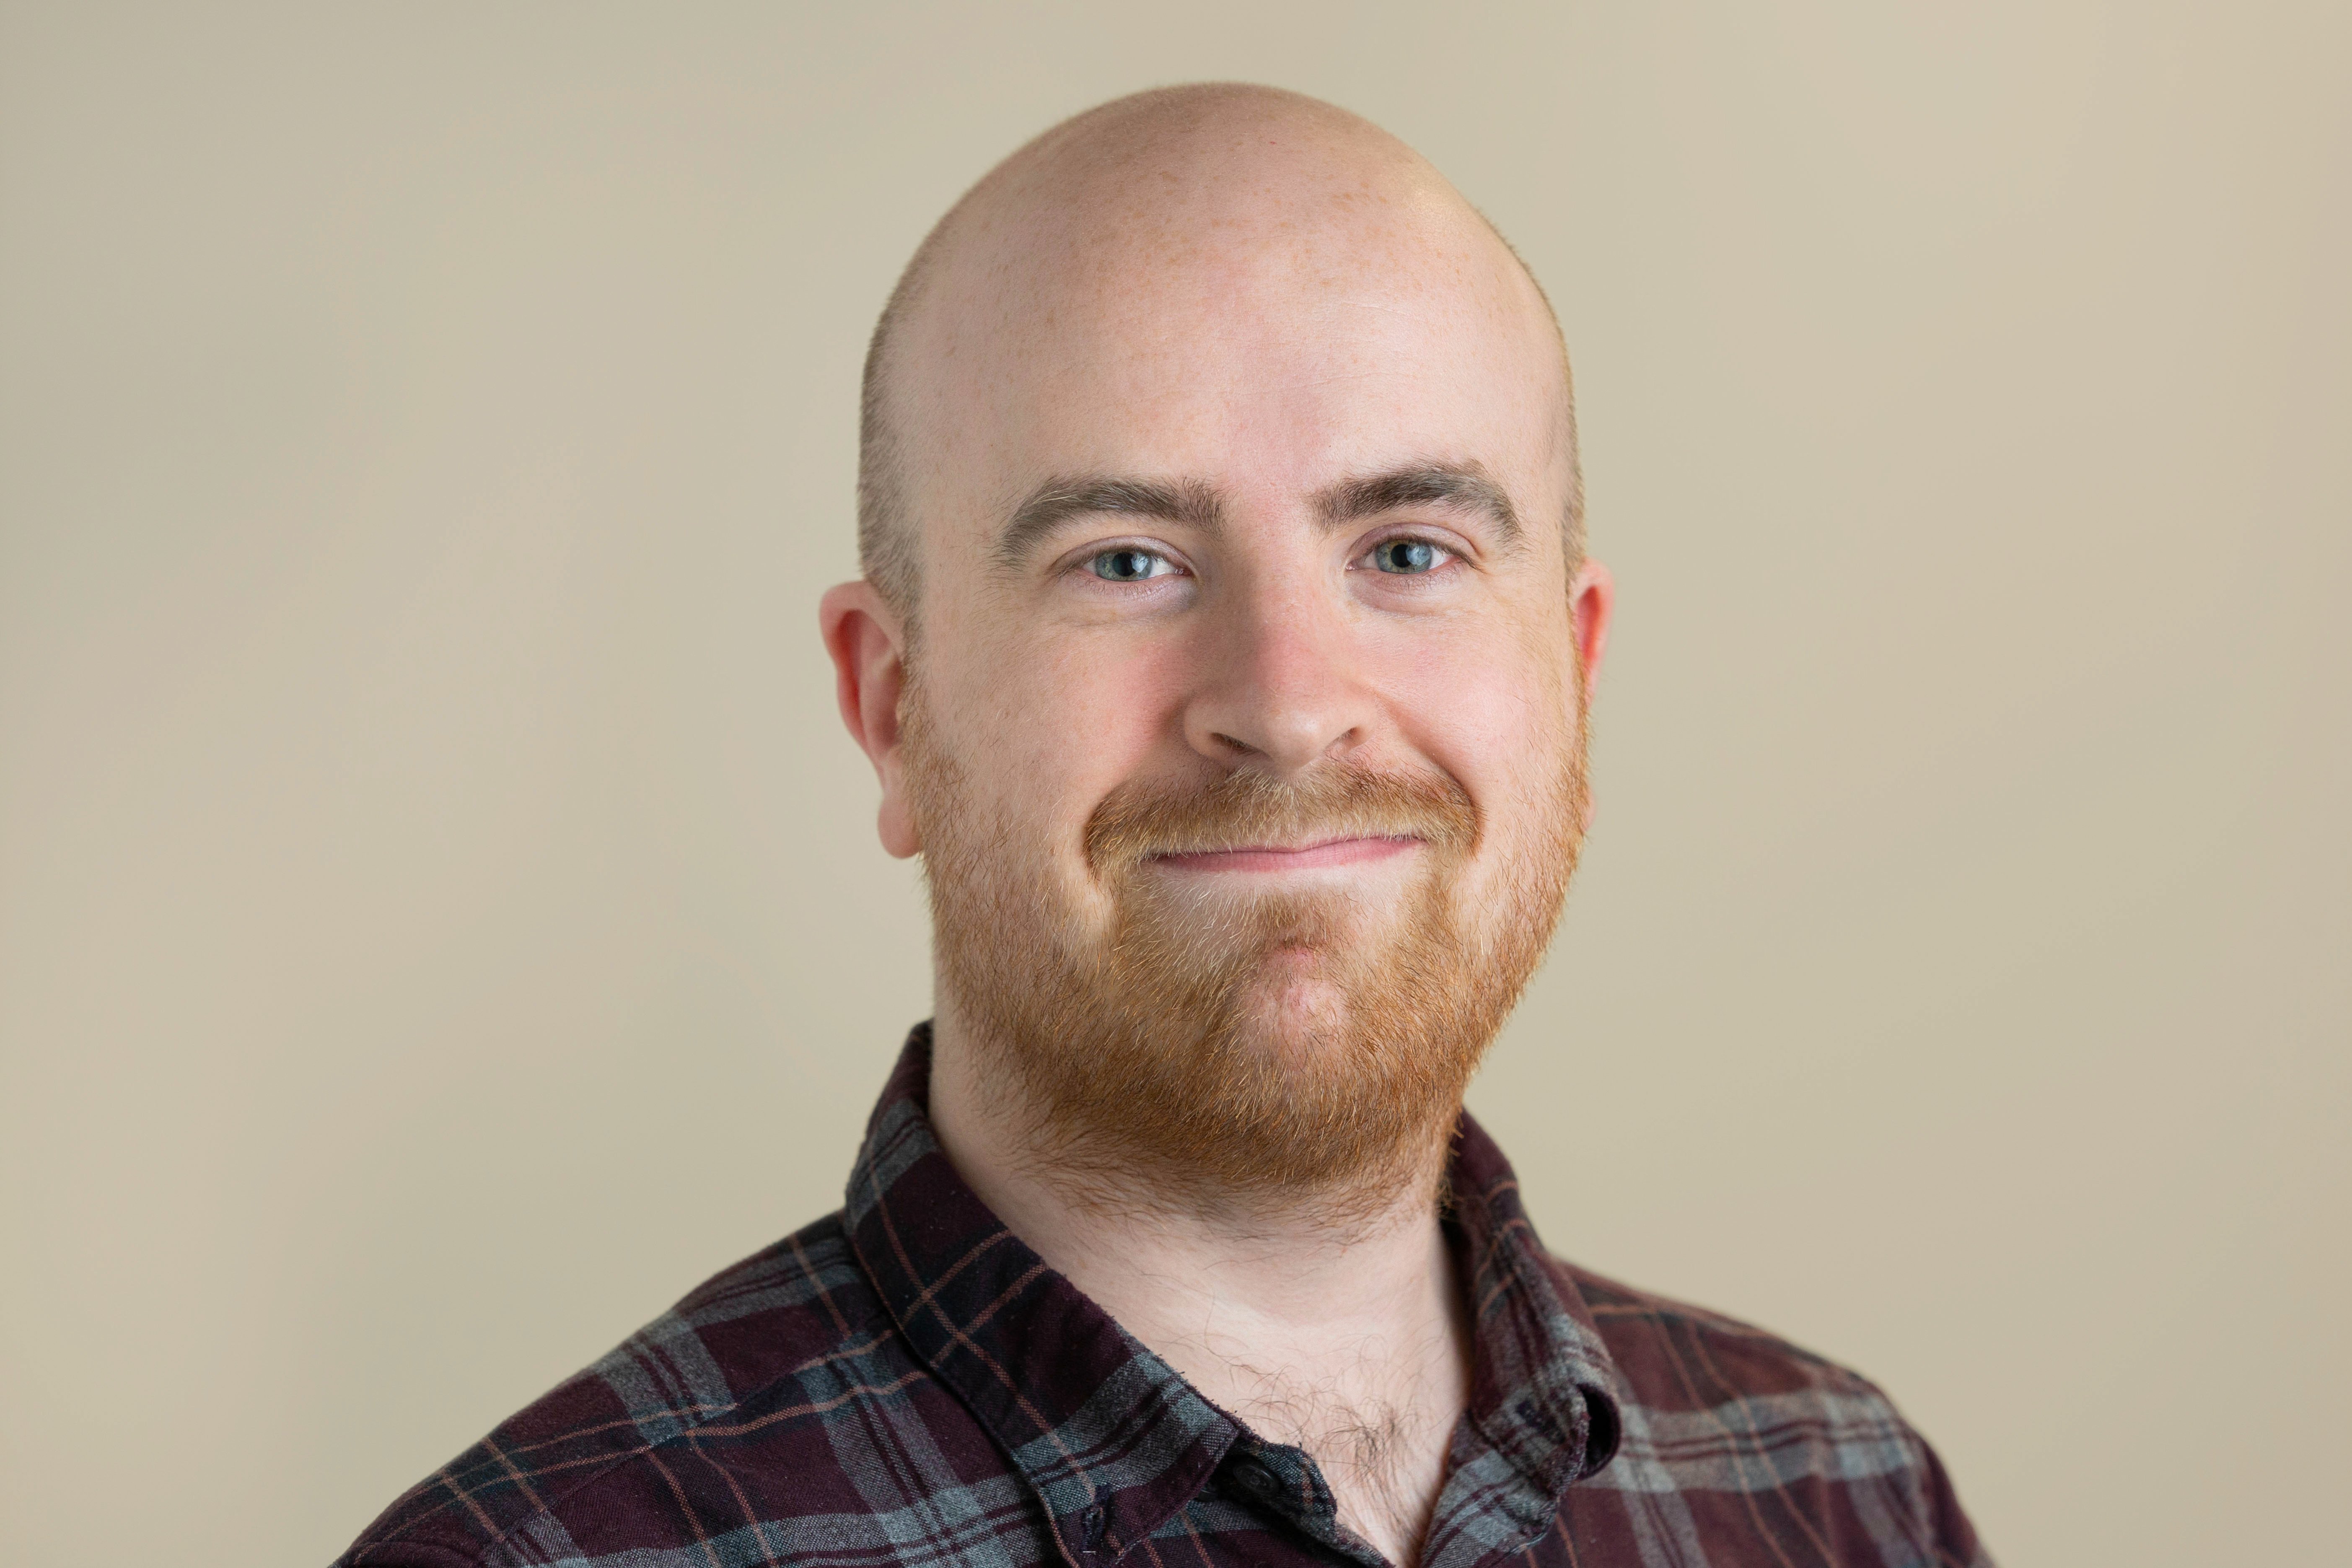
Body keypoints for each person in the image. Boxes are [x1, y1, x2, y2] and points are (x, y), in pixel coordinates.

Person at [337, 84, 1988, 1568]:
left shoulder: (1838, 1502)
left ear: (1570, 669)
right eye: (1126, 560)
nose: (1281, 703)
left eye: (1407, 550)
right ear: (889, 706)